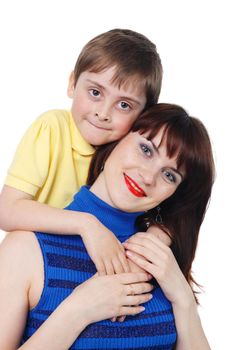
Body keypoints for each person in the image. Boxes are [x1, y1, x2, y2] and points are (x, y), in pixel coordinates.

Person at [0, 104, 214, 349]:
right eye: (145, 150)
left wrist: (183, 299)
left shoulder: (161, 259)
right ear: (118, 138)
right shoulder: (25, 249)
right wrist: (77, 311)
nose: (148, 177)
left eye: (169, 175)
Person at [0, 28, 163, 275]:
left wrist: (156, 241)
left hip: (86, 273)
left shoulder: (130, 153)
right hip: (34, 267)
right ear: (72, 84)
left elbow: (171, 211)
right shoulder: (52, 128)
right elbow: (7, 211)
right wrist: (86, 225)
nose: (103, 113)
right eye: (95, 92)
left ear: (144, 115)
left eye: (124, 105)